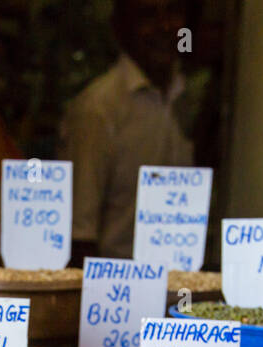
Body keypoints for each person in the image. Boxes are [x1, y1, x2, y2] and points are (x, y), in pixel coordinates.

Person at [60, 0, 194, 262]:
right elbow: (79, 235)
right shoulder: (98, 109)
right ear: (121, 28)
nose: (165, 26)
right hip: (117, 291)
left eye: (173, 12)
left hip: (178, 284)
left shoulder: (187, 96)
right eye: (147, 15)